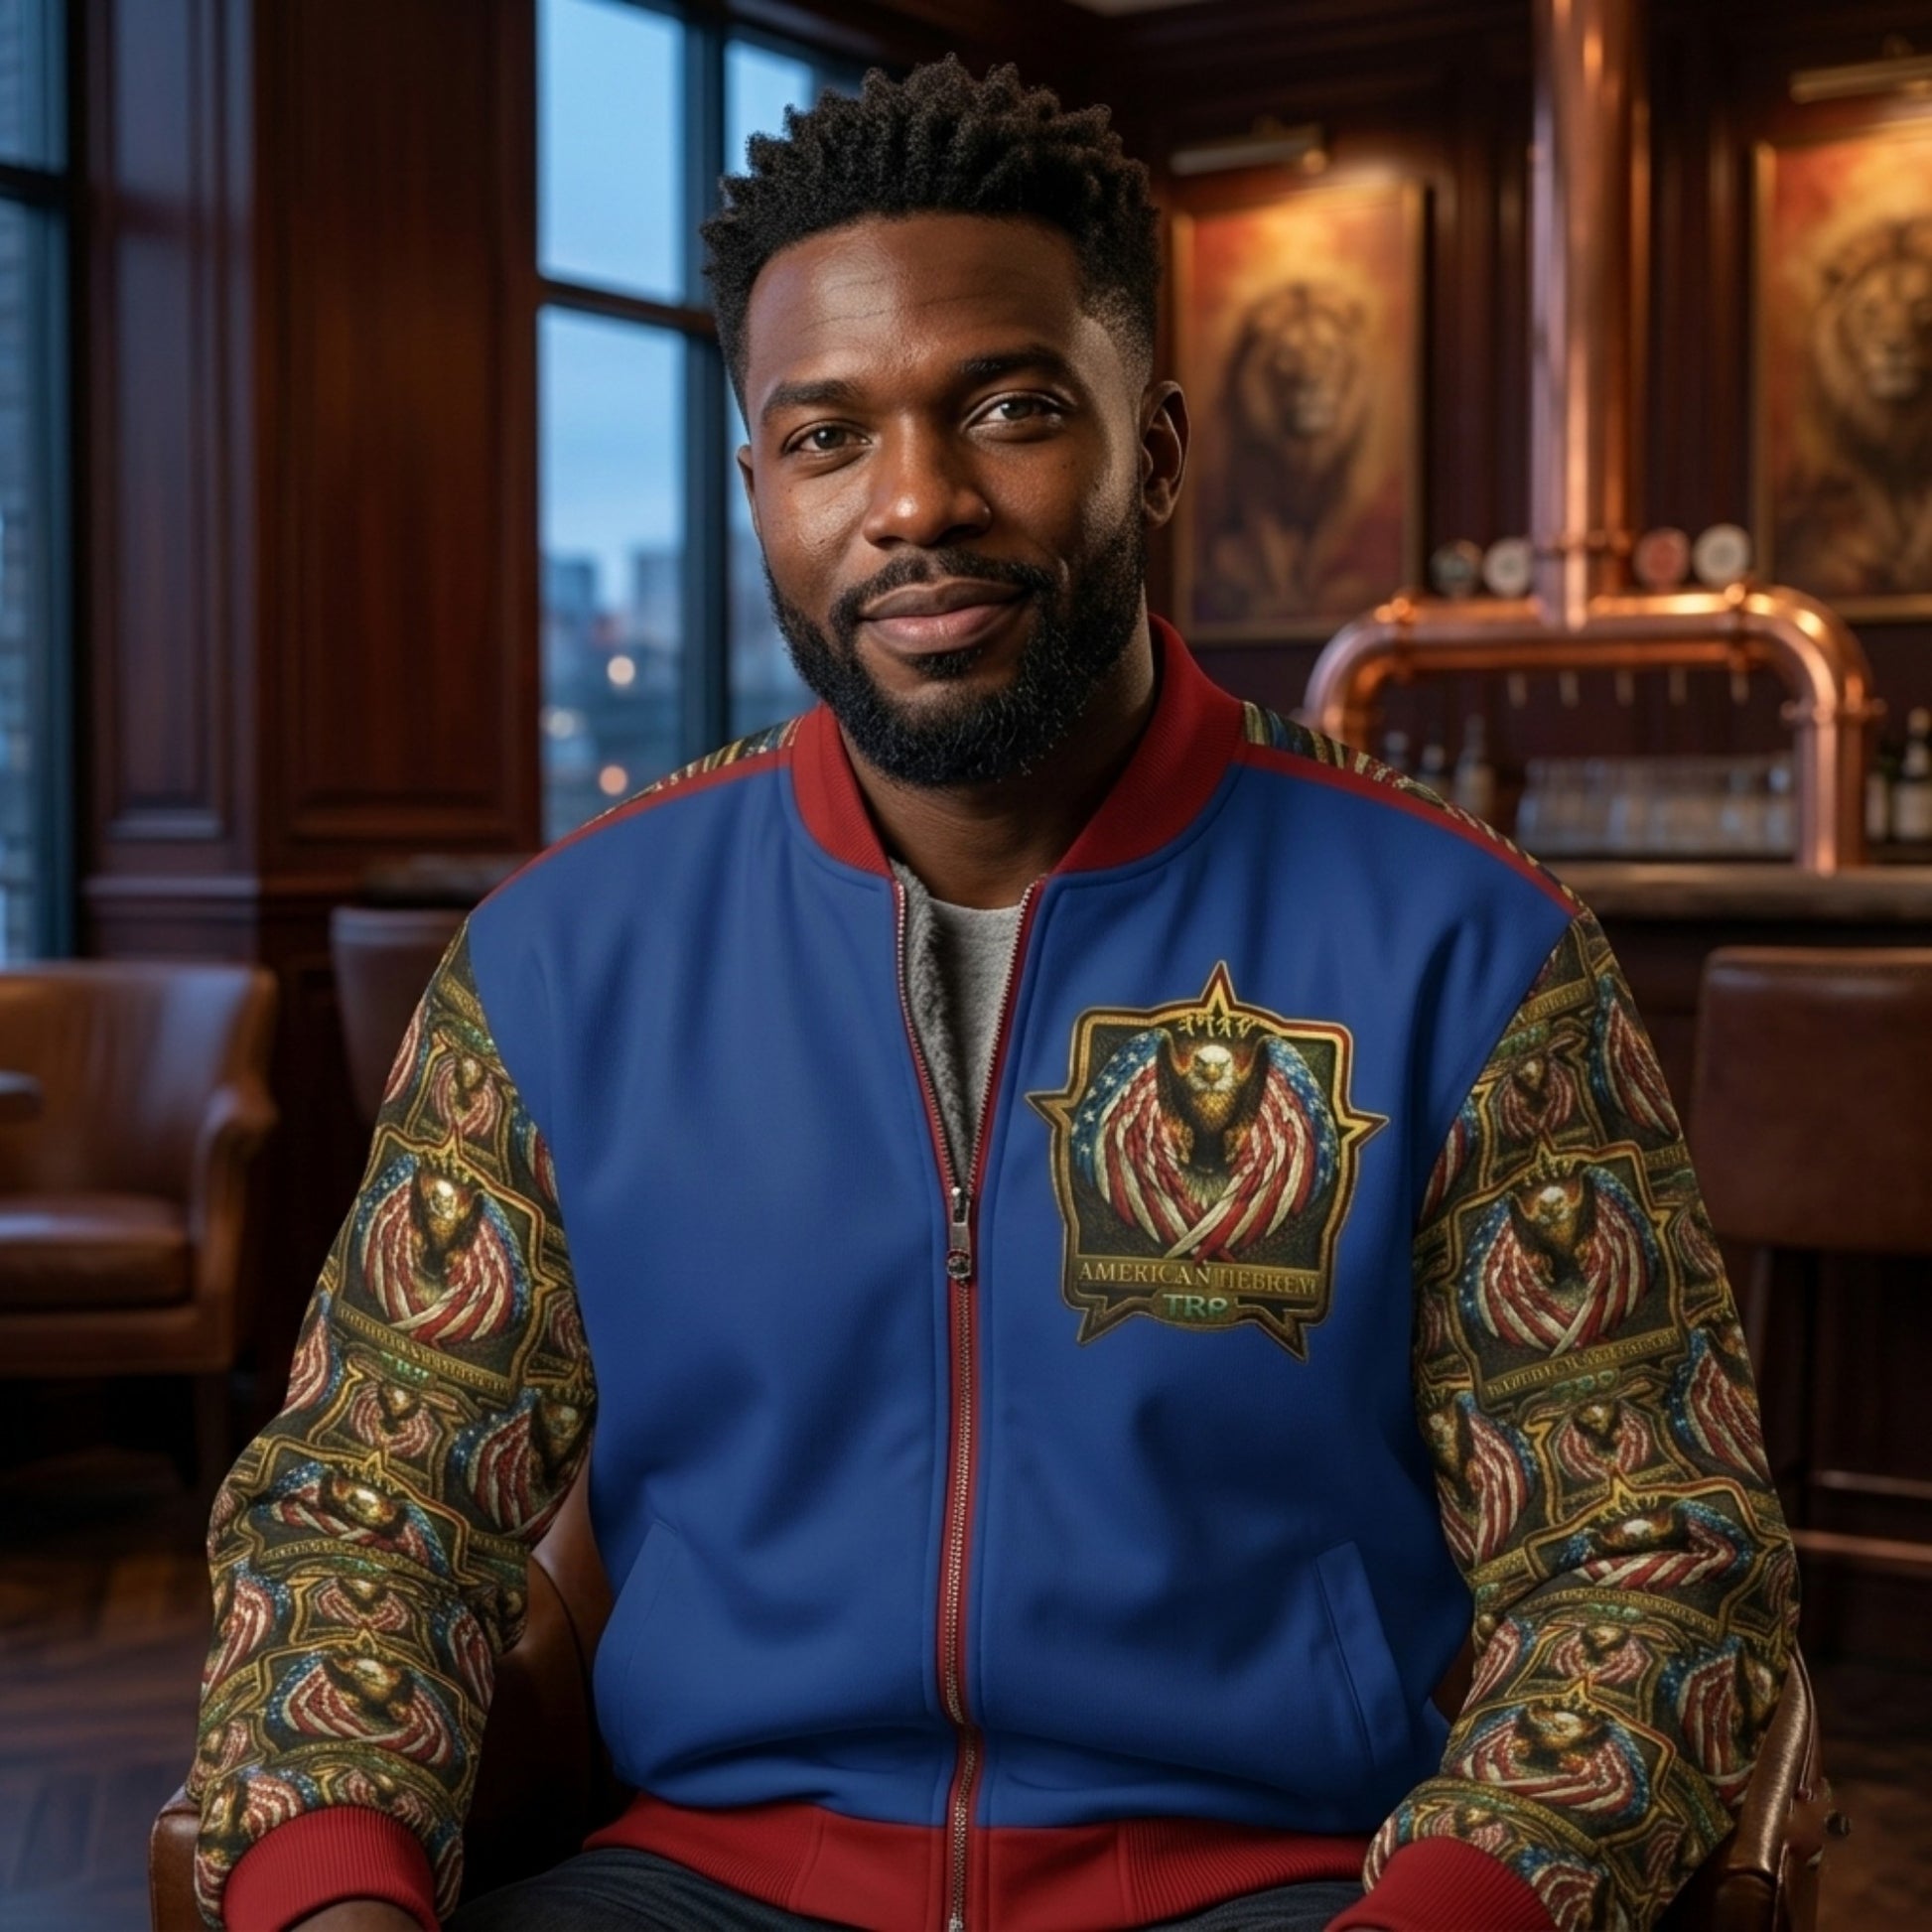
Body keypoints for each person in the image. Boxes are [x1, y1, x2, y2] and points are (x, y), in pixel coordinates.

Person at [189, 59, 1796, 1932]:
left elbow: (1648, 1552)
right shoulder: (563, 961)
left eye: (1011, 409)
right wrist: (333, 1894)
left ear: (1160, 447)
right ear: (755, 489)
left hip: (1278, 1887)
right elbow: (362, 1510)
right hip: (700, 1879)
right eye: (825, 438)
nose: (916, 504)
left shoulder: (1469, 950)